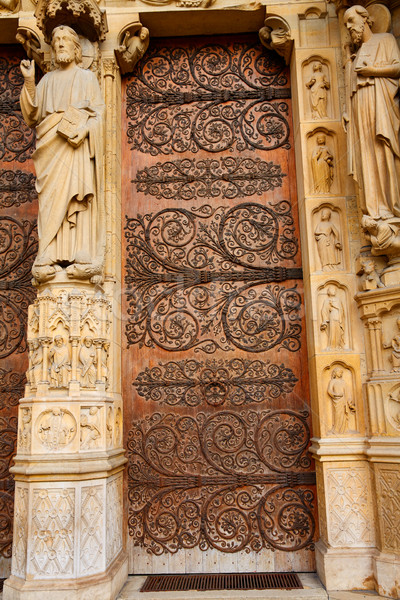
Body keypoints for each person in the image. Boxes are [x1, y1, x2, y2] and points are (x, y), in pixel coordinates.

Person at [20, 25, 105, 283]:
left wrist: (86, 131)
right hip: (50, 148)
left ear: (76, 49)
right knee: (50, 199)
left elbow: (99, 115)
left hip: (76, 148)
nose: (59, 45)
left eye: (65, 40)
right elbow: (33, 115)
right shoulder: (47, 81)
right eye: (56, 41)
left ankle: (82, 252)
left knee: (77, 199)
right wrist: (29, 81)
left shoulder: (87, 78)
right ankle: (47, 253)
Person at [343, 5, 400, 221]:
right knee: (364, 154)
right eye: (346, 23)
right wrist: (347, 111)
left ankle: (388, 206)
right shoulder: (356, 54)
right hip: (360, 105)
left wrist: (372, 71)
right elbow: (352, 84)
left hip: (380, 101)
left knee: (382, 147)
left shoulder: (385, 39)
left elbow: (397, 67)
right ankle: (374, 209)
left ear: (365, 19)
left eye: (351, 20)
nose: (349, 27)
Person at [327, 367, 355, 434]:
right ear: (335, 373)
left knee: (343, 415)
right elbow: (329, 390)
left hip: (343, 400)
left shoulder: (343, 382)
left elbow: (347, 392)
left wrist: (349, 400)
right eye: (339, 372)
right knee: (337, 414)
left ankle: (344, 429)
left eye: (341, 372)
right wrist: (336, 395)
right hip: (337, 400)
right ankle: (336, 429)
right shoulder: (332, 381)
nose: (341, 374)